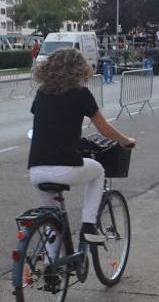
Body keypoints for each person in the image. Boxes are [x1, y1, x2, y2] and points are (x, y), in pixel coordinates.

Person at [28, 48, 136, 248]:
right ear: (79, 70)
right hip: (65, 168)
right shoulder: (80, 93)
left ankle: (52, 271)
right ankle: (88, 226)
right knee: (98, 171)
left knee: (53, 222)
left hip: (36, 170)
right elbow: (104, 128)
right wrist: (124, 140)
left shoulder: (42, 93)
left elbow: (48, 124)